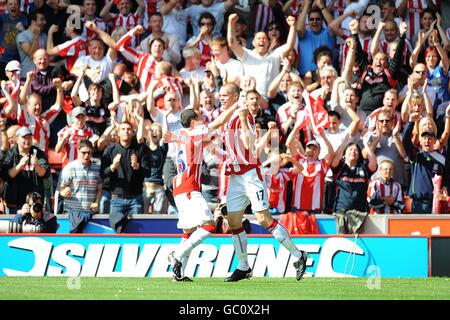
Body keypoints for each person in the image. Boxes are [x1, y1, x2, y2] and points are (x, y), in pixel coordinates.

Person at [221, 96, 308, 282]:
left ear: (234, 98)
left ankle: (298, 255)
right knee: (234, 221)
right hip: (235, 177)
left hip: (251, 174)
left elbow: (248, 144)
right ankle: (243, 267)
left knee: (263, 219)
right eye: (220, 96)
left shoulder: (244, 116)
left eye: (224, 96)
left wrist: (244, 119)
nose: (221, 99)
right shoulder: (224, 117)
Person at [165, 103, 240, 282]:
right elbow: (220, 120)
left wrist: (217, 138)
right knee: (208, 226)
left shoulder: (182, 136)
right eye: (199, 118)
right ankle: (176, 255)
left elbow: (208, 142)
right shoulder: (192, 133)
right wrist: (237, 105)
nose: (202, 121)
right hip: (190, 187)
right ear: (192, 122)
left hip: (180, 188)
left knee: (189, 232)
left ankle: (178, 274)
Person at [100, 121, 151, 233]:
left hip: (136, 198)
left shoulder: (141, 149)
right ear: (118, 132)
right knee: (116, 232)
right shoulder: (110, 149)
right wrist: (113, 167)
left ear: (133, 133)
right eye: (123, 129)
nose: (126, 131)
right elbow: (102, 173)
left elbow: (148, 172)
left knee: (138, 232)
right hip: (116, 198)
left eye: (128, 129)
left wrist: (137, 167)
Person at [2, 126, 50, 215]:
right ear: (17, 139)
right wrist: (19, 165)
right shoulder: (10, 153)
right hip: (14, 203)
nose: (27, 141)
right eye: (24, 138)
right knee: (15, 228)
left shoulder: (38, 153)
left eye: (29, 138)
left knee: (35, 228)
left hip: (34, 202)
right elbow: (5, 175)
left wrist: (37, 165)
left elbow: (45, 174)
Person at [403, 113, 445, 213]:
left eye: (430, 138)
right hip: (416, 203)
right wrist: (410, 122)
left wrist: (445, 188)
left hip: (434, 203)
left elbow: (446, 178)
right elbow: (405, 140)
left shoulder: (442, 159)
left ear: (434, 141)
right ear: (420, 141)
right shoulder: (416, 155)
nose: (427, 141)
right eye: (424, 138)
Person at [59, 140, 102, 233]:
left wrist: (97, 202)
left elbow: (99, 188)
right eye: (84, 153)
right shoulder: (70, 167)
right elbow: (61, 189)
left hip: (91, 213)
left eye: (89, 153)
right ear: (78, 152)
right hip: (72, 212)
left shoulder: (97, 168)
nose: (86, 155)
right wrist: (65, 191)